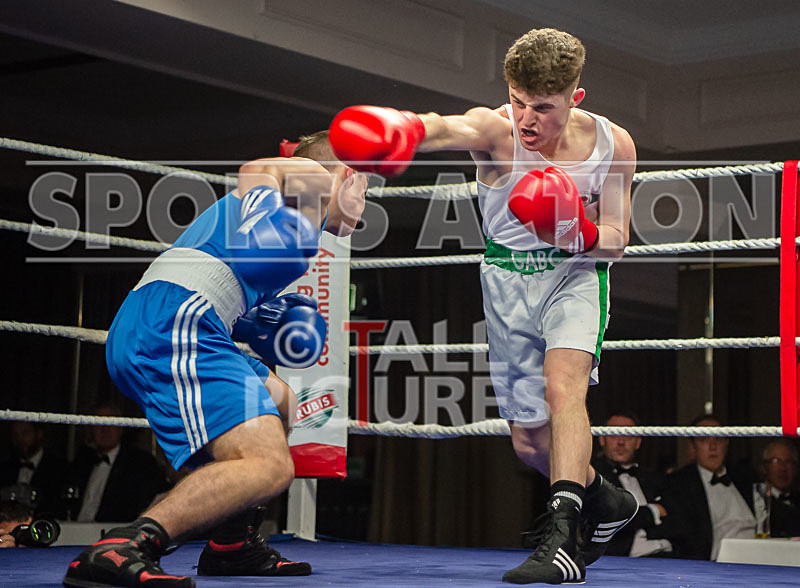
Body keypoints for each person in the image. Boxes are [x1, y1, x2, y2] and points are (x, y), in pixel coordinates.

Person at [328, 27, 638, 584]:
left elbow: (618, 235)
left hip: (576, 275)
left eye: (543, 107)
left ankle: (562, 537)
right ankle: (604, 499)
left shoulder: (615, 145)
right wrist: (405, 129)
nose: (527, 120)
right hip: (506, 282)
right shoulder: (498, 132)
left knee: (563, 387)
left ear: (575, 98)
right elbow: (452, 126)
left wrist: (576, 233)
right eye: (519, 101)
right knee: (528, 444)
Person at [63, 132, 367, 588]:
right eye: (367, 184)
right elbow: (256, 170)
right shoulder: (298, 190)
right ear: (347, 175)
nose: (368, 199)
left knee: (282, 399)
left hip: (184, 318)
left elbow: (222, 278)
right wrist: (308, 176)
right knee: (270, 466)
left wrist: (268, 323)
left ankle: (232, 545)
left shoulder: (283, 221)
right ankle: (122, 547)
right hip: (173, 323)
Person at [659, 415, 756, 560]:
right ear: (693, 447)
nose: (713, 447)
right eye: (704, 440)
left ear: (727, 443)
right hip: (716, 564)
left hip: (760, 556)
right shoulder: (678, 484)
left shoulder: (745, 477)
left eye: (718, 439)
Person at [68, 401, 169, 523]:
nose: (105, 429)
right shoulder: (82, 462)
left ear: (121, 427)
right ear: (90, 429)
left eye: (111, 422)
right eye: (98, 423)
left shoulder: (140, 463)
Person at [592, 413, 676, 557]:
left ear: (638, 442)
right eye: (614, 434)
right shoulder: (593, 476)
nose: (621, 442)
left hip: (667, 556)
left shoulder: (654, 478)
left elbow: (677, 519)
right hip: (621, 562)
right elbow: (611, 518)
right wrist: (653, 512)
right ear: (602, 439)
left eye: (628, 435)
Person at [0, 420, 68, 517]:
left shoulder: (59, 468)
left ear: (39, 434)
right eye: (15, 435)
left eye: (25, 433)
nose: (20, 439)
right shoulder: (5, 468)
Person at [759, 439, 800, 537]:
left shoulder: (797, 499)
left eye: (788, 462)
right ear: (764, 467)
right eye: (776, 461)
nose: (783, 468)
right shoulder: (756, 499)